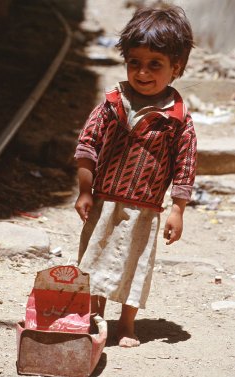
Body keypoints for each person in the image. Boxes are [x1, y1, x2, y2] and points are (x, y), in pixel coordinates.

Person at [74, 4, 197, 348]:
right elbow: (87, 145)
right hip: (104, 200)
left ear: (177, 68)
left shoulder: (178, 120)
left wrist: (178, 209)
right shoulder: (111, 104)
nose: (142, 72)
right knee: (93, 258)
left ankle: (127, 324)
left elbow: (186, 165)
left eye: (154, 64)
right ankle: (95, 317)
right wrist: (85, 190)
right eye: (134, 63)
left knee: (136, 264)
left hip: (145, 207)